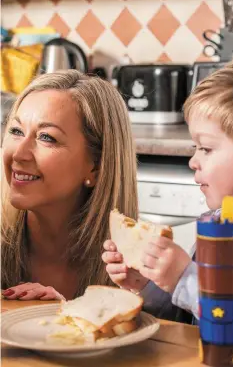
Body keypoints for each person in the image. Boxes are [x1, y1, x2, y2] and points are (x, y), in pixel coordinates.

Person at [103, 54, 233, 348]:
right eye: (194, 147)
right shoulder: (217, 224)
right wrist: (154, 284)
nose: (193, 161)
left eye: (207, 148)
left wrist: (186, 278)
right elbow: (195, 312)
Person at [1, 70, 138, 301]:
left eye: (46, 137)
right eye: (16, 131)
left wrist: (62, 316)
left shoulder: (136, 270)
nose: (19, 154)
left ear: (96, 167)